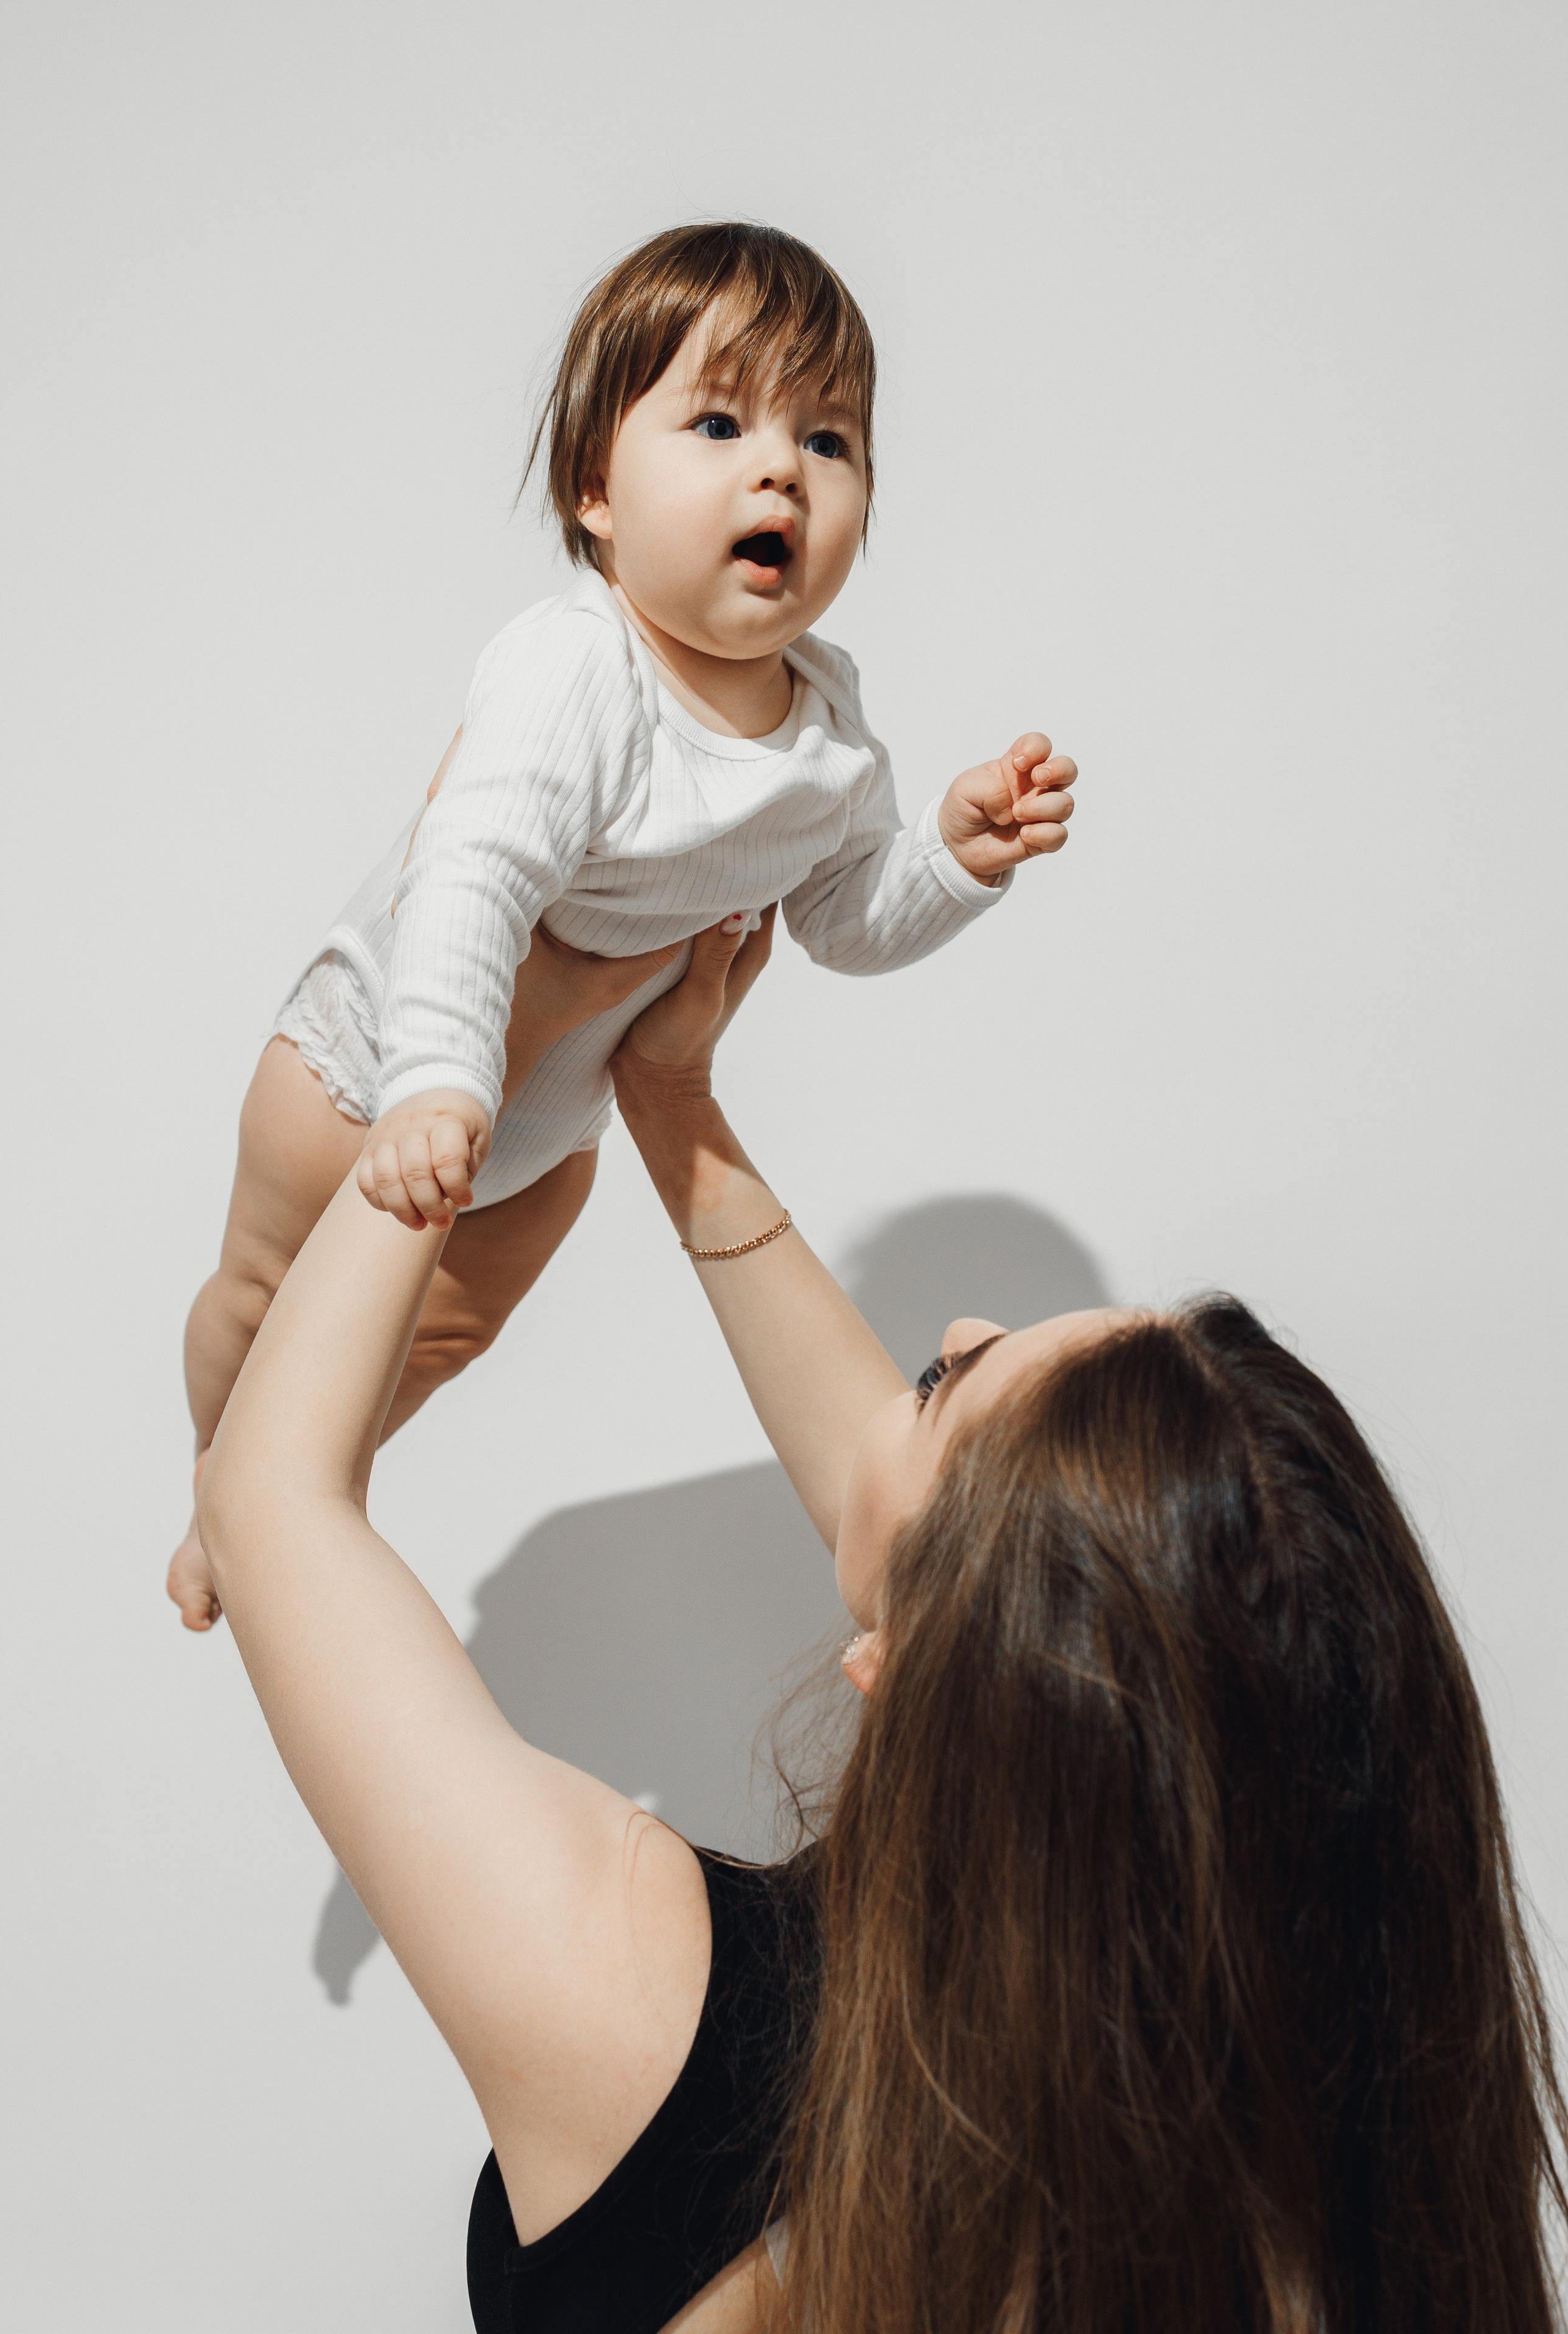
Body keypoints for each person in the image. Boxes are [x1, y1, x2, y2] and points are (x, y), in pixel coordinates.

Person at [198, 916, 1566, 2334]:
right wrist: (676, 1112)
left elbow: (269, 1501)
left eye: (935, 1379)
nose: (960, 1321)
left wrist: (468, 1039)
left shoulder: (655, 2010)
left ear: (902, 1670)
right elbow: (966, 1567)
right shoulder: (1319, 2144)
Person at [170, 219, 1079, 1630]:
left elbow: (842, 919)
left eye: (828, 441)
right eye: (718, 423)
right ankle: (220, 1480)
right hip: (367, 1072)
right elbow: (469, 874)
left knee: (437, 1342)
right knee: (260, 1301)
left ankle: (282, 1493)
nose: (781, 466)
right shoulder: (578, 669)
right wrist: (434, 1084)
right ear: (596, 492)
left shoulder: (828, 729)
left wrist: (951, 863)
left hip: (540, 1140)